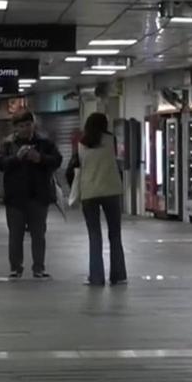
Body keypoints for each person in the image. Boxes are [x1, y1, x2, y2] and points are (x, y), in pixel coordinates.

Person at [0, 111, 63, 279]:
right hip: (15, 198)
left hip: (38, 196)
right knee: (15, 235)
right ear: (15, 128)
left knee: (39, 234)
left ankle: (39, 268)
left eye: (28, 125)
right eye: (21, 126)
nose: (25, 129)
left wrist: (39, 158)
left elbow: (57, 160)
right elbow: (0, 164)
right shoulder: (7, 144)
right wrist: (16, 158)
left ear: (33, 124)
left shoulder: (45, 143)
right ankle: (15, 267)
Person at [67, 112, 126, 286]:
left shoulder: (82, 144)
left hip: (89, 192)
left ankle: (96, 277)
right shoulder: (111, 140)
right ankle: (118, 275)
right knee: (115, 235)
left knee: (94, 236)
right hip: (111, 191)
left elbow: (77, 166)